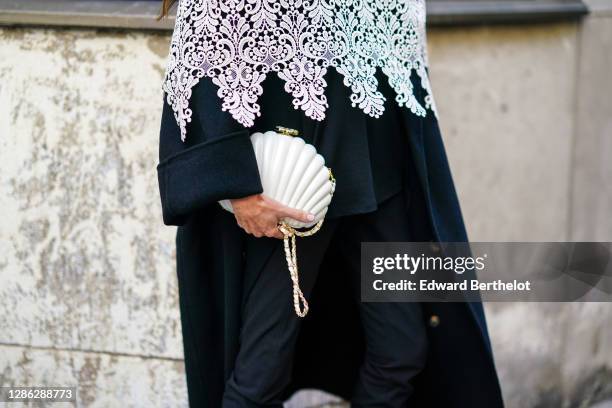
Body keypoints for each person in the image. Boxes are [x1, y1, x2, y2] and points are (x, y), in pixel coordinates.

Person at [156, 0, 504, 406]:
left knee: (402, 349)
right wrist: (239, 190)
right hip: (297, 179)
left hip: (381, 169)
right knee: (260, 374)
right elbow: (208, 38)